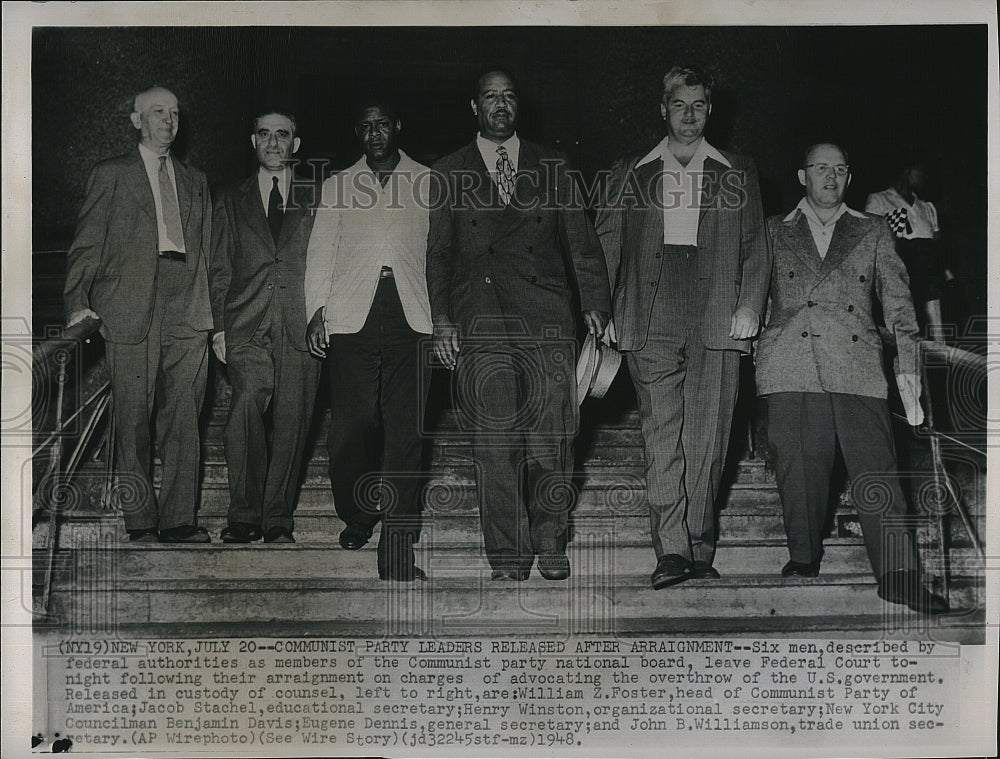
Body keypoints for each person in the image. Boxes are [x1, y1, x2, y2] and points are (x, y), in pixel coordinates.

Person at [426, 69, 611, 581]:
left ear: (518, 105)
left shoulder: (553, 164)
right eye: (491, 96)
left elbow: (581, 240)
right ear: (474, 106)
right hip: (479, 320)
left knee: (552, 437)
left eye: (509, 96)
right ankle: (507, 554)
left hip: (548, 317)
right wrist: (441, 318)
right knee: (493, 441)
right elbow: (439, 253)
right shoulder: (447, 171)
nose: (501, 104)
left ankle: (551, 540)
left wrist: (595, 303)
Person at [594, 66, 771, 589]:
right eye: (679, 105)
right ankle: (670, 550)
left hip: (718, 312)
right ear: (662, 109)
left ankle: (699, 544)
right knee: (661, 436)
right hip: (650, 312)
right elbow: (606, 246)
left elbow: (756, 246)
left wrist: (750, 305)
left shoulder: (737, 170)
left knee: (709, 440)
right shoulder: (630, 170)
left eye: (698, 105)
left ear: (710, 111)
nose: (688, 115)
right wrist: (601, 312)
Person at [756, 142, 948, 614]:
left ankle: (899, 575)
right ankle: (803, 554)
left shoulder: (874, 230)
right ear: (802, 176)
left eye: (840, 169)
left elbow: (901, 308)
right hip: (789, 362)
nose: (831, 177)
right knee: (798, 468)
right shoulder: (770, 231)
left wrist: (907, 372)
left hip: (857, 364)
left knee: (878, 471)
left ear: (849, 178)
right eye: (821, 168)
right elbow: (752, 299)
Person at [63, 86, 214, 543]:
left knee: (185, 414)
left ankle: (180, 519)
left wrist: (214, 316)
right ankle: (141, 520)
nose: (168, 120)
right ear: (136, 120)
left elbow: (207, 252)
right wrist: (76, 302)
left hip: (186, 302)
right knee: (132, 416)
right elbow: (86, 245)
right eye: (157, 112)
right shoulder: (110, 174)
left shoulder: (195, 180)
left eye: (173, 113)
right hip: (128, 302)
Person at [305, 97, 432, 581]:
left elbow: (438, 254)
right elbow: (321, 254)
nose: (375, 133)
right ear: (357, 134)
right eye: (365, 126)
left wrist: (443, 318)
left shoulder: (427, 181)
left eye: (383, 123)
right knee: (352, 428)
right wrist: (316, 313)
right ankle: (358, 512)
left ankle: (397, 552)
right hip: (350, 313)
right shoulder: (339, 185)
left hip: (411, 315)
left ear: (398, 125)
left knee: (406, 435)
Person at [209, 107, 320, 544]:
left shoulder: (319, 194)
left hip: (301, 320)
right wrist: (219, 327)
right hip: (245, 320)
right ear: (252, 142)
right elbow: (219, 267)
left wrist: (325, 314)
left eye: (282, 135)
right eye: (264, 134)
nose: (273, 142)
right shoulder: (229, 198)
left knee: (294, 419)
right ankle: (244, 514)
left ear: (295, 144)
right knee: (244, 406)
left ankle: (277, 518)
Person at [865, 154, 952, 342]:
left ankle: (940, 345)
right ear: (907, 170)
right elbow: (872, 244)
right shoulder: (879, 201)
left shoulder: (927, 208)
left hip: (927, 288)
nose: (925, 176)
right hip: (895, 282)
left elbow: (936, 249)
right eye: (921, 171)